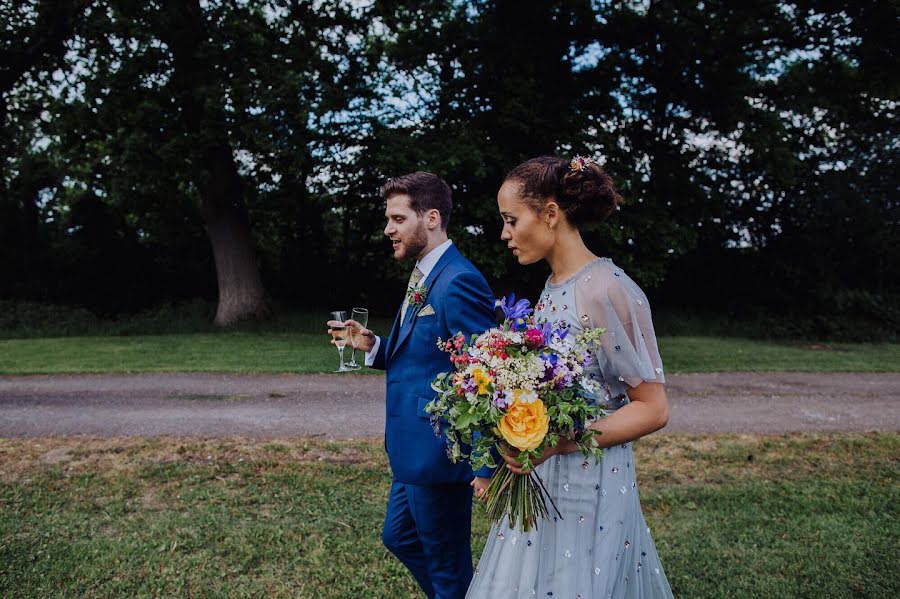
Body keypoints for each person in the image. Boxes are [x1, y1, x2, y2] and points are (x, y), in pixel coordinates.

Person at [466, 156, 674, 598]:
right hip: (545, 481)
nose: (504, 234)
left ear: (551, 214)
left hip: (590, 485)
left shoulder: (607, 289)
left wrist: (560, 441)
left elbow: (653, 409)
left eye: (510, 220)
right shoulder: (553, 287)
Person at [329, 172, 495, 599]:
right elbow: (424, 356)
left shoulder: (459, 280)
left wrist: (482, 465)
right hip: (411, 453)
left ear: (432, 218)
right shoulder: (424, 274)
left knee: (446, 569)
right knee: (398, 537)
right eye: (389, 219)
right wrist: (373, 345)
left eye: (398, 218)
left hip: (439, 454)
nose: (388, 229)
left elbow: (483, 375)